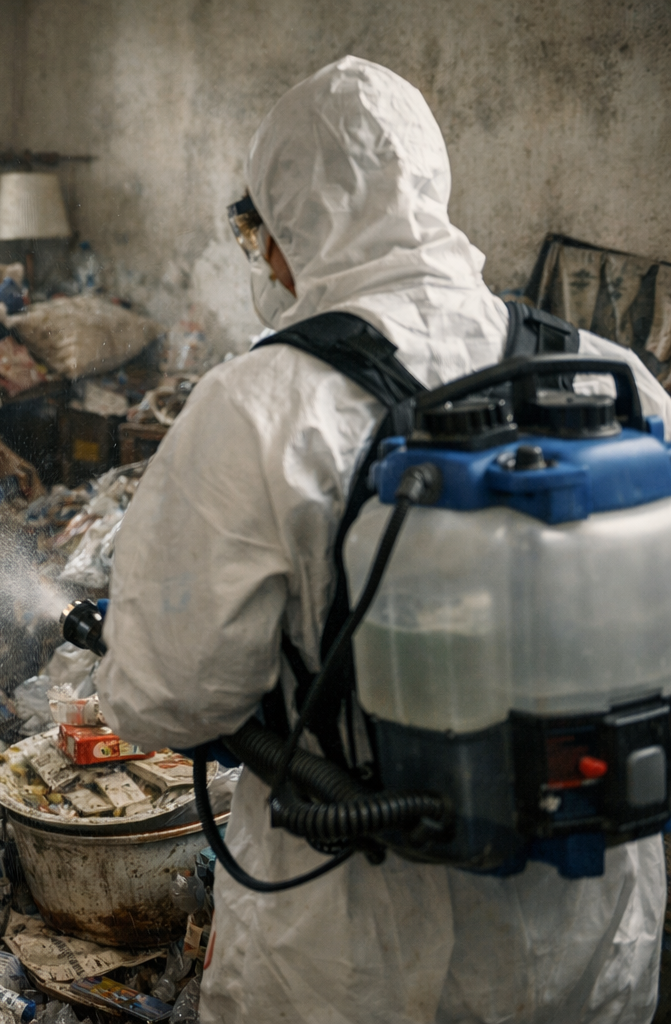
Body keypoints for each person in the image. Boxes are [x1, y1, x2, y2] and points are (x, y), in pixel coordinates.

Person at [96, 56, 669, 1023]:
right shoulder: (615, 377)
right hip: (589, 920)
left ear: (285, 228)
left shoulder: (259, 403)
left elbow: (167, 698)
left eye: (257, 232)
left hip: (356, 946)